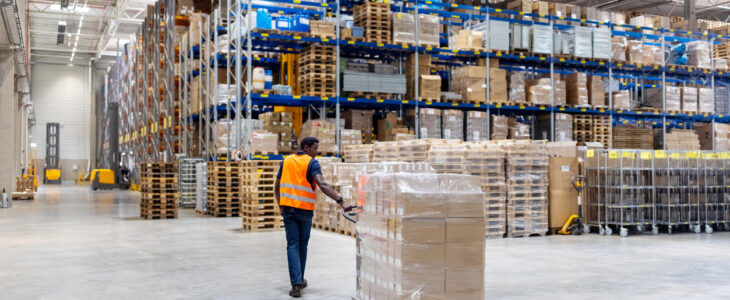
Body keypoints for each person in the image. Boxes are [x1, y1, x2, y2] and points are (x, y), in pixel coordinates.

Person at [275, 136, 352, 298]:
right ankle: (298, 281)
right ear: (306, 147)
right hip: (304, 211)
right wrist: (341, 201)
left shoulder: (286, 161)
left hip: (288, 210)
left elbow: (277, 185)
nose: (317, 152)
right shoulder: (312, 163)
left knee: (293, 245)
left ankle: (297, 282)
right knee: (301, 245)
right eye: (315, 148)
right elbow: (322, 184)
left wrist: (280, 205)